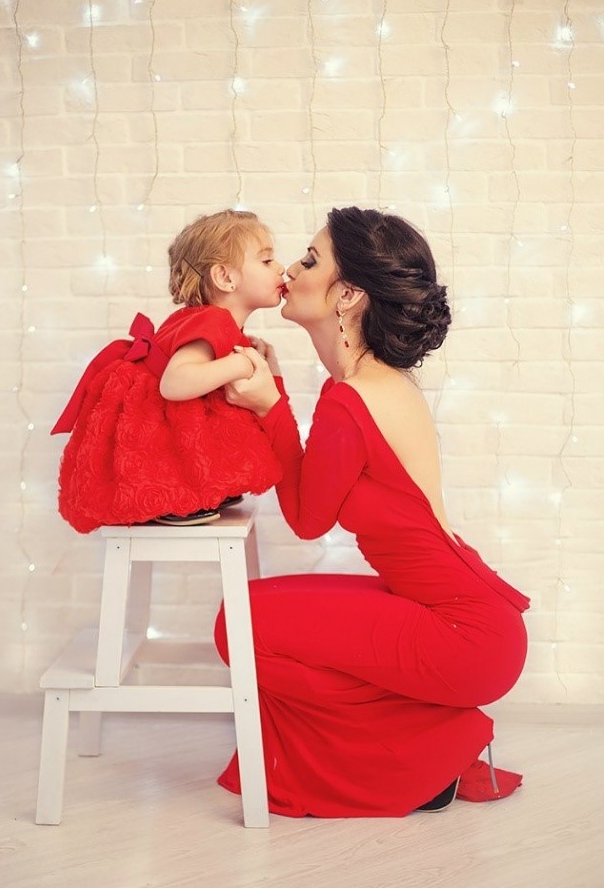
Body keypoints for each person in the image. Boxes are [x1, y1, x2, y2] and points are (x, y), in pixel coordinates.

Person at [214, 206, 530, 817]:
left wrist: (271, 407)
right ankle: (430, 753)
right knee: (246, 612)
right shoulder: (361, 385)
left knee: (240, 626)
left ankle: (436, 749)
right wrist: (274, 401)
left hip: (465, 635)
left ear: (349, 294)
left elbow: (306, 520)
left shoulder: (353, 398)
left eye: (310, 261)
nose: (290, 270)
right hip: (462, 616)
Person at [52, 209, 287, 532]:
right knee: (171, 449)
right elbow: (175, 383)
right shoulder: (212, 320)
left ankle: (207, 488)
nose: (281, 268)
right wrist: (241, 363)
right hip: (154, 415)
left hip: (169, 412)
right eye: (267, 260)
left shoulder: (212, 320)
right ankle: (173, 499)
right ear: (225, 277)